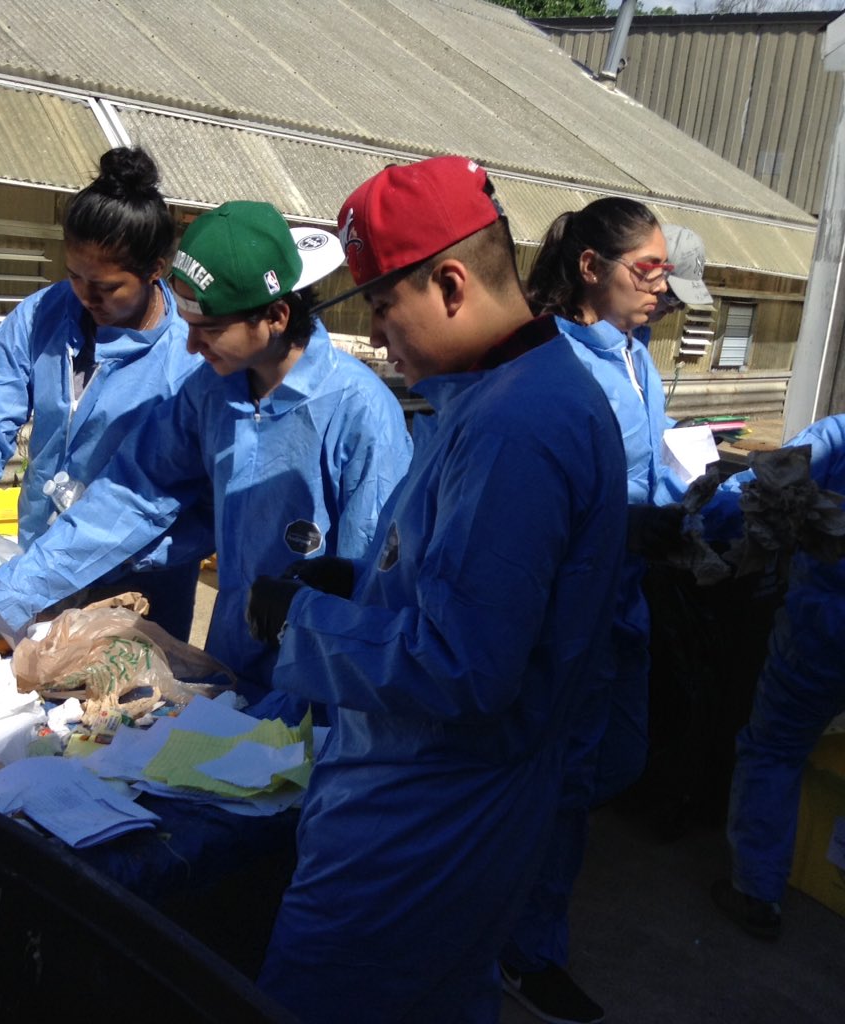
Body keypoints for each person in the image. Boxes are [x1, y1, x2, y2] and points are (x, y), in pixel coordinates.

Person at [245, 155, 628, 1023]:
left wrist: (301, 624)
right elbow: (462, 588)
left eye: (383, 306)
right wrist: (354, 582)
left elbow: (464, 665)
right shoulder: (504, 393)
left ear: (451, 283)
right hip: (441, 802)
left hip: (424, 821)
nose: (378, 337)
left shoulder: (517, 427)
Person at [0, 200, 412, 714]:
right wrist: (3, 594)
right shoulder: (210, 393)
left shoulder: (360, 413)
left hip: (328, 687)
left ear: (276, 317)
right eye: (188, 322)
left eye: (209, 328)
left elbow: (377, 591)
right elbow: (132, 495)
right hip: (234, 669)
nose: (191, 345)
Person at [497, 197, 686, 1024]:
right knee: (565, 780)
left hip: (628, 601)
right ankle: (525, 950)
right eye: (645, 270)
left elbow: (662, 468)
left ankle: (524, 892)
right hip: (573, 618)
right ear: (589, 267)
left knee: (617, 762)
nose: (659, 287)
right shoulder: (553, 367)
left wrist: (714, 506)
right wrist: (626, 529)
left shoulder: (638, 357)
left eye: (664, 271)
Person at [0, 146, 208, 641]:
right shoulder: (43, 315)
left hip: (138, 580)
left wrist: (15, 588)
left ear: (156, 270)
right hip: (37, 561)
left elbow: (142, 503)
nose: (86, 297)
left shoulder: (188, 362)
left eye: (107, 286)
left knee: (127, 707)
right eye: (74, 276)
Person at [710, 414, 845, 940]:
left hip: (824, 627)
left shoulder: (835, 435)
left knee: (775, 749)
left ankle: (756, 893)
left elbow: (764, 489)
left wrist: (697, 514)